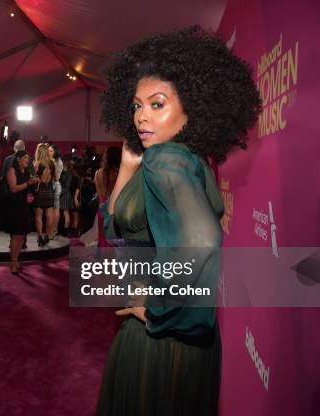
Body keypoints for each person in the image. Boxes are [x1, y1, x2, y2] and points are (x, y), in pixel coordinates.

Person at [96, 26, 261, 415]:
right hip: (185, 346)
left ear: (192, 108)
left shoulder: (165, 161)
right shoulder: (185, 160)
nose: (141, 116)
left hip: (160, 343)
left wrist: (157, 310)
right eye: (137, 105)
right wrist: (124, 168)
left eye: (157, 104)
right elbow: (117, 231)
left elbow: (202, 243)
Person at [3, 151, 39, 274]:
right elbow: (13, 188)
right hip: (14, 206)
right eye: (25, 158)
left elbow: (28, 188)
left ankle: (16, 259)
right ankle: (13, 262)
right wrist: (28, 183)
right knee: (16, 235)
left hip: (24, 205)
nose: (27, 160)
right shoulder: (12, 170)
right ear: (18, 159)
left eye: (28, 158)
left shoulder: (27, 171)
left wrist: (34, 183)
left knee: (22, 234)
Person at [94, 146, 121, 246]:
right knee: (114, 238)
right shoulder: (119, 173)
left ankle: (103, 259)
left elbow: (98, 192)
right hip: (115, 208)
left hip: (101, 208)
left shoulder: (97, 173)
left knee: (102, 237)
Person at [32, 143, 55, 247]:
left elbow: (35, 179)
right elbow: (56, 178)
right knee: (49, 216)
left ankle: (40, 237)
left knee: (38, 216)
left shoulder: (37, 164)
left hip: (39, 192)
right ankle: (47, 236)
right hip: (49, 191)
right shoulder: (52, 163)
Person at [49, 144, 63, 239]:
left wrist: (53, 165)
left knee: (56, 209)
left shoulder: (58, 162)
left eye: (51, 151)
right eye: (48, 150)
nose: (48, 152)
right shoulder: (50, 161)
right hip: (50, 186)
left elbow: (57, 178)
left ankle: (54, 229)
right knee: (51, 209)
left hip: (55, 186)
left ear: (55, 152)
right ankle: (51, 229)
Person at [58, 158, 74, 234]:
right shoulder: (62, 173)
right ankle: (62, 229)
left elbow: (67, 187)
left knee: (66, 212)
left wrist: (59, 193)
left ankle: (66, 230)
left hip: (65, 195)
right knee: (63, 213)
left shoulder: (68, 173)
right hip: (62, 194)